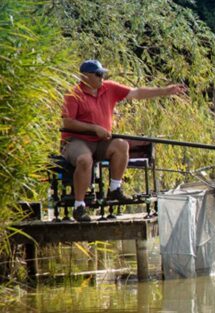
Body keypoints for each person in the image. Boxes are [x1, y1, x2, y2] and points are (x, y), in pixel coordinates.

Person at [61, 60, 187, 222]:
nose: (102, 77)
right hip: (77, 141)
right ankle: (79, 206)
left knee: (121, 145)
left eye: (103, 74)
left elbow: (137, 93)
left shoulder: (109, 88)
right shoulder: (73, 95)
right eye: (98, 74)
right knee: (85, 160)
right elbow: (68, 123)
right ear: (85, 76)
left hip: (101, 141)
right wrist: (94, 128)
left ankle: (115, 189)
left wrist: (166, 91)